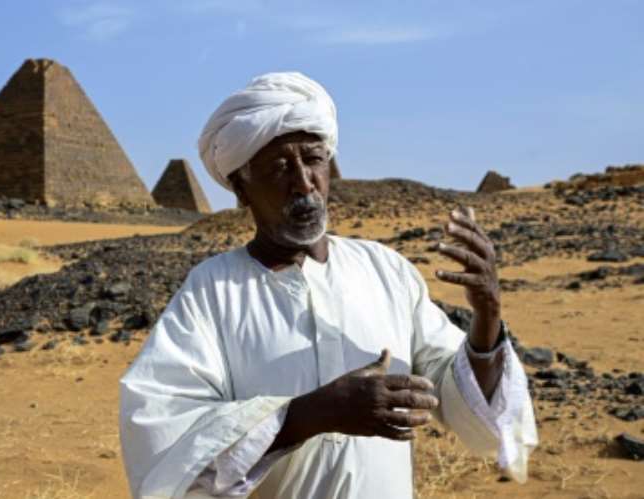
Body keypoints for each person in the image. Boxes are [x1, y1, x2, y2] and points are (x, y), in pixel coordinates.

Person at [119, 72, 537, 498]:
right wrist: (309, 414)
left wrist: (487, 319)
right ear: (242, 190)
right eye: (279, 167)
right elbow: (164, 438)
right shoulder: (212, 291)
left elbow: (464, 401)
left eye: (314, 160)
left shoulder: (385, 270)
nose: (303, 183)